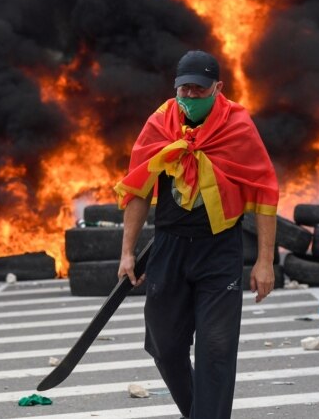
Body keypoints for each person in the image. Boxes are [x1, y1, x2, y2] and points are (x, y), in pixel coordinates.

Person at [114, 50, 279, 419]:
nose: (189, 98)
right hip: (169, 248)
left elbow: (265, 191)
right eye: (183, 90)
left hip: (219, 250)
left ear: (218, 88)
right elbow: (139, 190)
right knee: (164, 345)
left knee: (216, 351)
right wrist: (127, 252)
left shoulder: (237, 126)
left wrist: (265, 261)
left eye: (198, 91)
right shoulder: (159, 123)